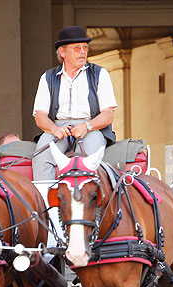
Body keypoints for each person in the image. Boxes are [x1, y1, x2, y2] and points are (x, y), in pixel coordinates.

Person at [32, 25, 117, 180]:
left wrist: (86, 126)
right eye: (77, 48)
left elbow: (108, 115)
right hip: (58, 127)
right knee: (41, 157)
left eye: (85, 47)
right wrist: (55, 130)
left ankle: (88, 203)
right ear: (62, 52)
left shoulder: (100, 74)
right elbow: (40, 115)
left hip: (91, 128)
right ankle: (46, 201)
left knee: (89, 161)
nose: (83, 52)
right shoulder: (48, 77)